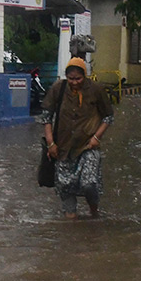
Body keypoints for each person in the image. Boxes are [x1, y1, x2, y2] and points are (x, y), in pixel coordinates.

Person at [42, 57, 114, 219]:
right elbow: (46, 116)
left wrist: (97, 137)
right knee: (66, 189)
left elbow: (108, 117)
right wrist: (50, 142)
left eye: (78, 78)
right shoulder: (58, 88)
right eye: (71, 79)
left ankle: (94, 212)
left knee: (89, 184)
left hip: (88, 146)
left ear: (85, 75)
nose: (74, 82)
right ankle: (71, 225)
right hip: (63, 148)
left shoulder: (96, 90)